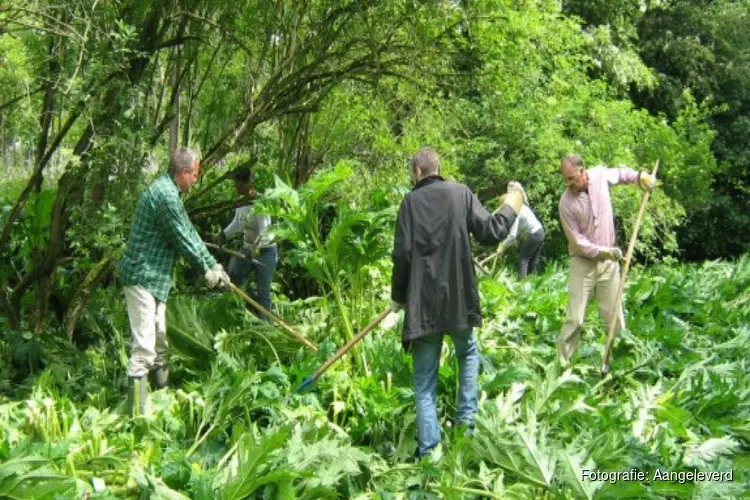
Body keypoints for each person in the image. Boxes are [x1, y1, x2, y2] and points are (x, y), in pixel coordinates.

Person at [390, 147, 526, 458]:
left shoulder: (410, 203)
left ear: (417, 172)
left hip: (423, 305)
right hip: (458, 299)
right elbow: (492, 232)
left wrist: (397, 297)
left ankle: (429, 453)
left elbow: (402, 255)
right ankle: (466, 428)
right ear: (437, 168)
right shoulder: (460, 193)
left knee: (424, 384)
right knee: (467, 354)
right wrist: (512, 204)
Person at [118, 147, 231, 416]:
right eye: (194, 175)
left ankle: (161, 399)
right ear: (182, 173)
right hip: (142, 276)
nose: (195, 180)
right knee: (144, 347)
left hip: (156, 278)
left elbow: (190, 232)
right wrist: (206, 271)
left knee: (159, 344)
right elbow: (183, 239)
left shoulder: (170, 192)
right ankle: (137, 417)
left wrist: (212, 263)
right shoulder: (165, 195)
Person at [557, 153, 656, 364]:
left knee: (614, 317)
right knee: (575, 318)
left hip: (608, 264)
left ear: (582, 171)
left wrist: (640, 177)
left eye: (572, 178)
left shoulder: (600, 176)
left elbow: (621, 174)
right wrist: (604, 252)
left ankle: (620, 363)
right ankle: (562, 365)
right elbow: (577, 242)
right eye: (566, 179)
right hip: (582, 262)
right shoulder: (566, 203)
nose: (569, 183)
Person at [221, 165, 278, 317]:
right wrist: (223, 235)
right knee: (234, 273)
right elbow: (237, 224)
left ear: (246, 183)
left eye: (237, 184)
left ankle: (265, 324)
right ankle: (255, 305)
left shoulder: (260, 202)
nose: (236, 187)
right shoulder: (241, 202)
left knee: (263, 290)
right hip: (247, 249)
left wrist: (255, 249)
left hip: (265, 251)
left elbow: (266, 231)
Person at [497, 184, 545, 278]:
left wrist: (503, 246)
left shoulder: (516, 211)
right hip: (540, 232)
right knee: (532, 263)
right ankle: (534, 286)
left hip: (534, 234)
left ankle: (523, 287)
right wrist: (506, 242)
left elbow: (513, 235)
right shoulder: (521, 206)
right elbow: (517, 231)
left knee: (523, 260)